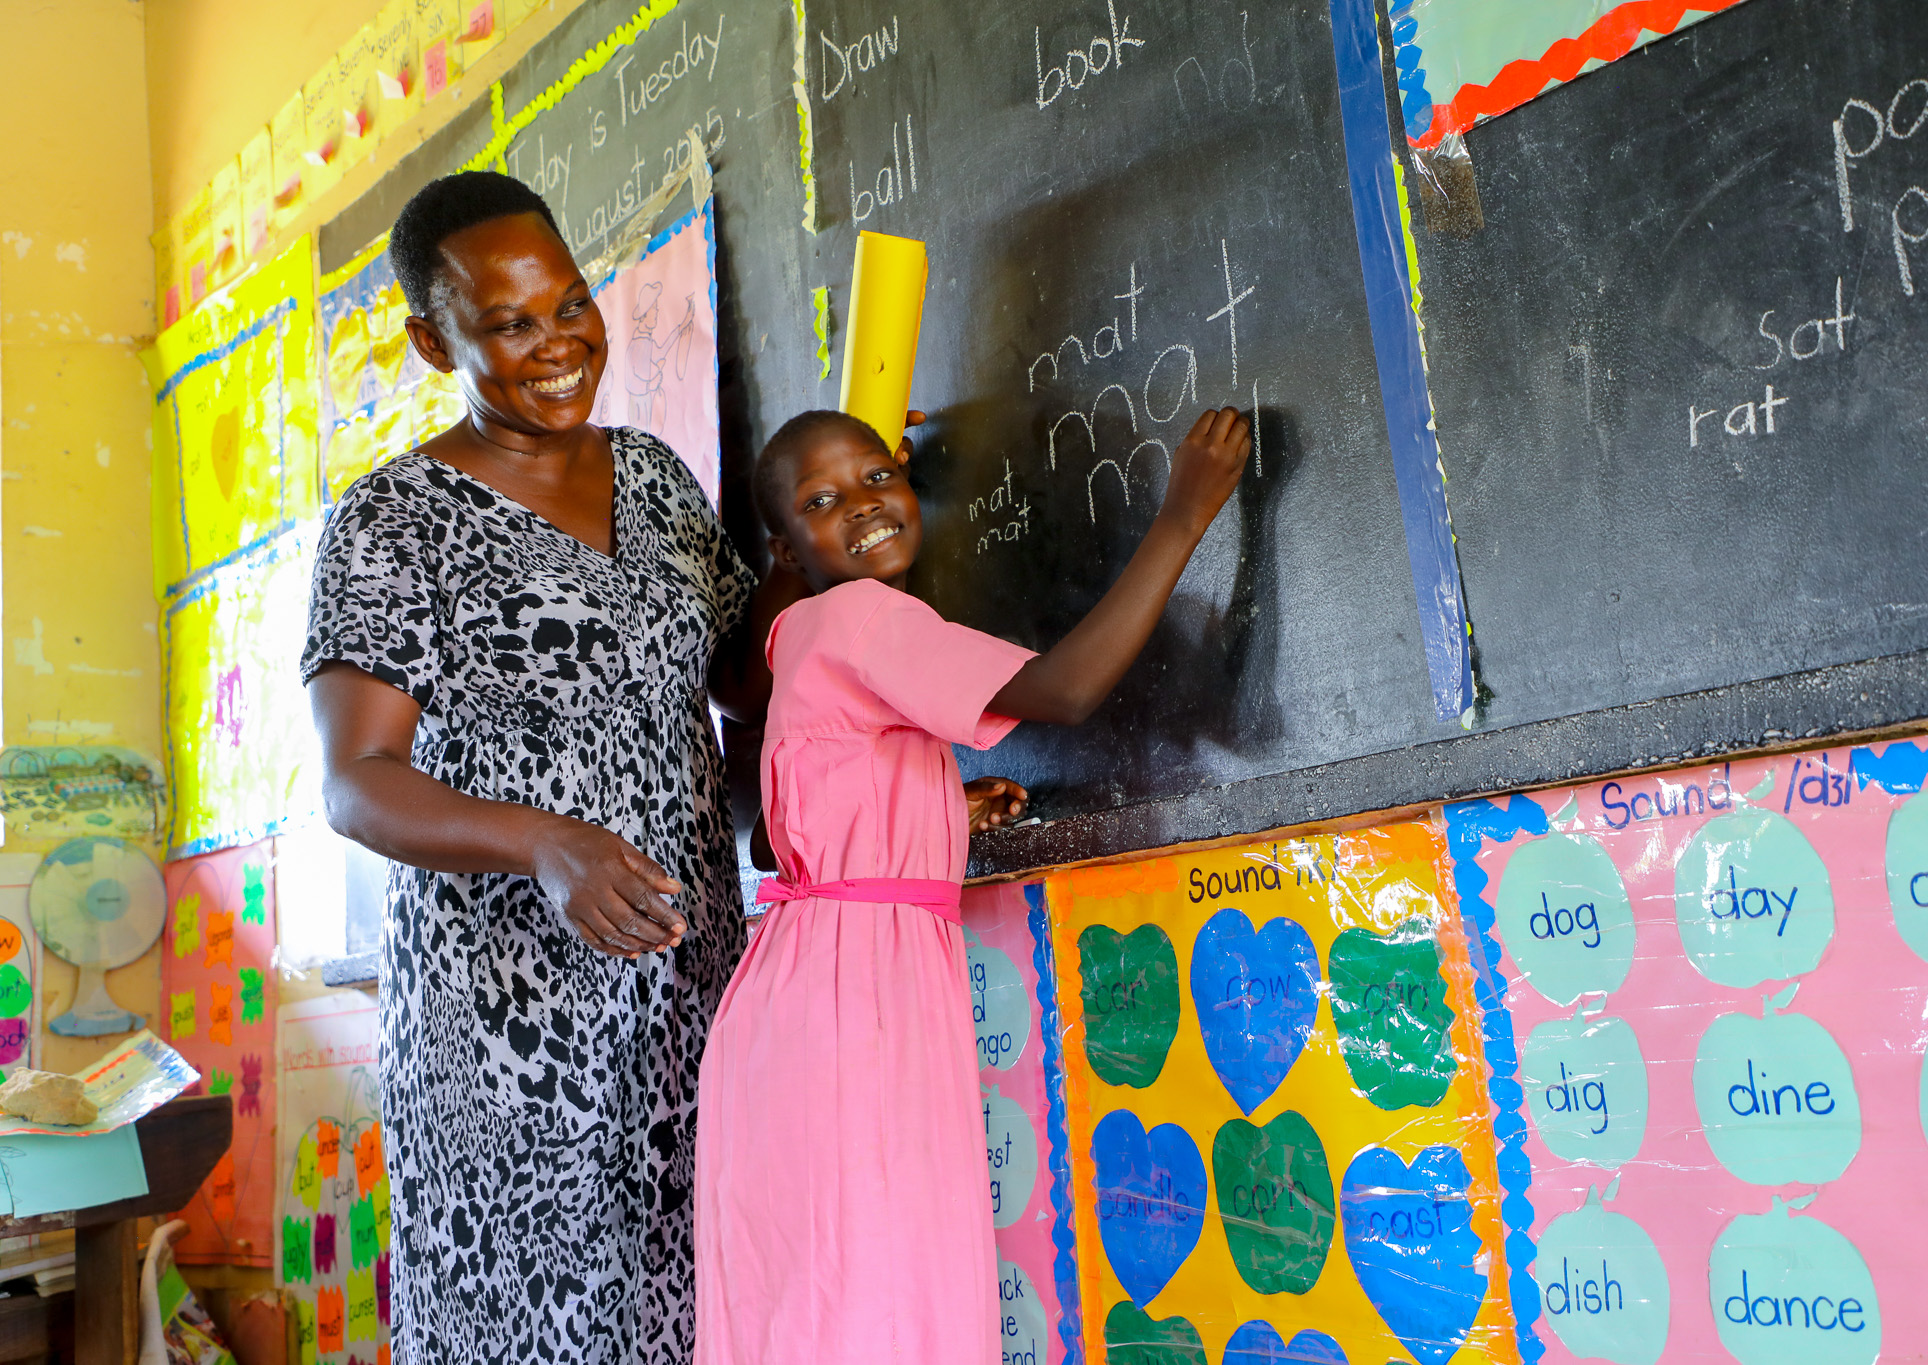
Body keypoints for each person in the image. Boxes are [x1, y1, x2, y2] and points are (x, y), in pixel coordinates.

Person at [302, 171, 756, 1363]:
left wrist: (840, 536)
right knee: (532, 1329)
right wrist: (543, 841)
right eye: (509, 324)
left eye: (568, 304)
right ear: (431, 341)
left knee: (693, 1310)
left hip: (688, 994)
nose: (559, 344)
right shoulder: (393, 520)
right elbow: (358, 778)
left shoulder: (652, 477)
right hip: (505, 1029)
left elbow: (742, 678)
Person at [693, 404, 1253, 1361]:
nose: (862, 504)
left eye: (878, 476)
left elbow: (798, 835)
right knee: (885, 1306)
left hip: (804, 997)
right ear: (783, 551)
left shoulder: (800, 639)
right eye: (821, 501)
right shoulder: (865, 616)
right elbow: (1065, 690)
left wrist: (935, 810)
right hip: (860, 1005)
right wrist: (1183, 516)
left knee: (826, 1307)